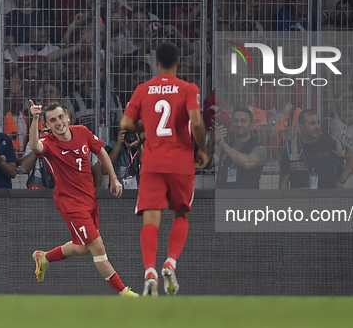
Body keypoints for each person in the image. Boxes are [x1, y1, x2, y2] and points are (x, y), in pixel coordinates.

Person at [120, 42, 208, 296]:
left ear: (156, 63)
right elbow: (196, 120)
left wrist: (145, 128)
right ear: (178, 62)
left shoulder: (143, 89)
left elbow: (126, 123)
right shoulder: (188, 88)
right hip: (181, 163)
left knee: (151, 220)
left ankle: (150, 270)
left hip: (153, 163)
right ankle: (170, 262)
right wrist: (202, 148)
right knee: (181, 215)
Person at [27, 100, 138, 297]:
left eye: (61, 117)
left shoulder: (82, 132)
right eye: (53, 120)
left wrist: (114, 178)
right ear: (48, 125)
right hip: (70, 203)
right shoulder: (48, 143)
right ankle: (125, 293)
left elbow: (100, 150)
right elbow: (35, 145)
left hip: (89, 199)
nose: (59, 122)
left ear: (68, 116)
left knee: (82, 247)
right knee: (97, 246)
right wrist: (34, 119)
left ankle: (44, 257)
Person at [279, 109, 353, 189]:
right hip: (301, 198)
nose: (317, 127)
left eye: (318, 122)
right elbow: (283, 183)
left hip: (330, 197)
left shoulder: (331, 141)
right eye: (312, 123)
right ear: (301, 127)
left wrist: (341, 180)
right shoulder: (291, 149)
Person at [210, 107, 268, 189]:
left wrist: (223, 145)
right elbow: (209, 162)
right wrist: (211, 141)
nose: (239, 124)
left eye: (243, 121)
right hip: (223, 197)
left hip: (247, 198)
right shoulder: (223, 145)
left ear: (251, 125)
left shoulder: (259, 148)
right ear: (231, 124)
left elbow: (247, 163)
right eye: (235, 121)